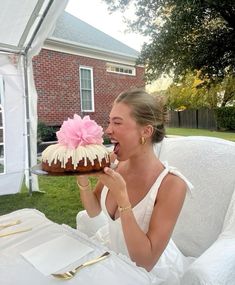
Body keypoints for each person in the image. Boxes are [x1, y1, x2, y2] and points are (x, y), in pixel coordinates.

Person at [76, 88, 194, 282]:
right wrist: (82, 178)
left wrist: (122, 197)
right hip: (113, 259)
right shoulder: (115, 162)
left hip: (151, 273)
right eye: (109, 121)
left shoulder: (172, 185)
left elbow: (145, 262)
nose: (108, 130)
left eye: (117, 123)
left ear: (146, 131)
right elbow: (93, 210)